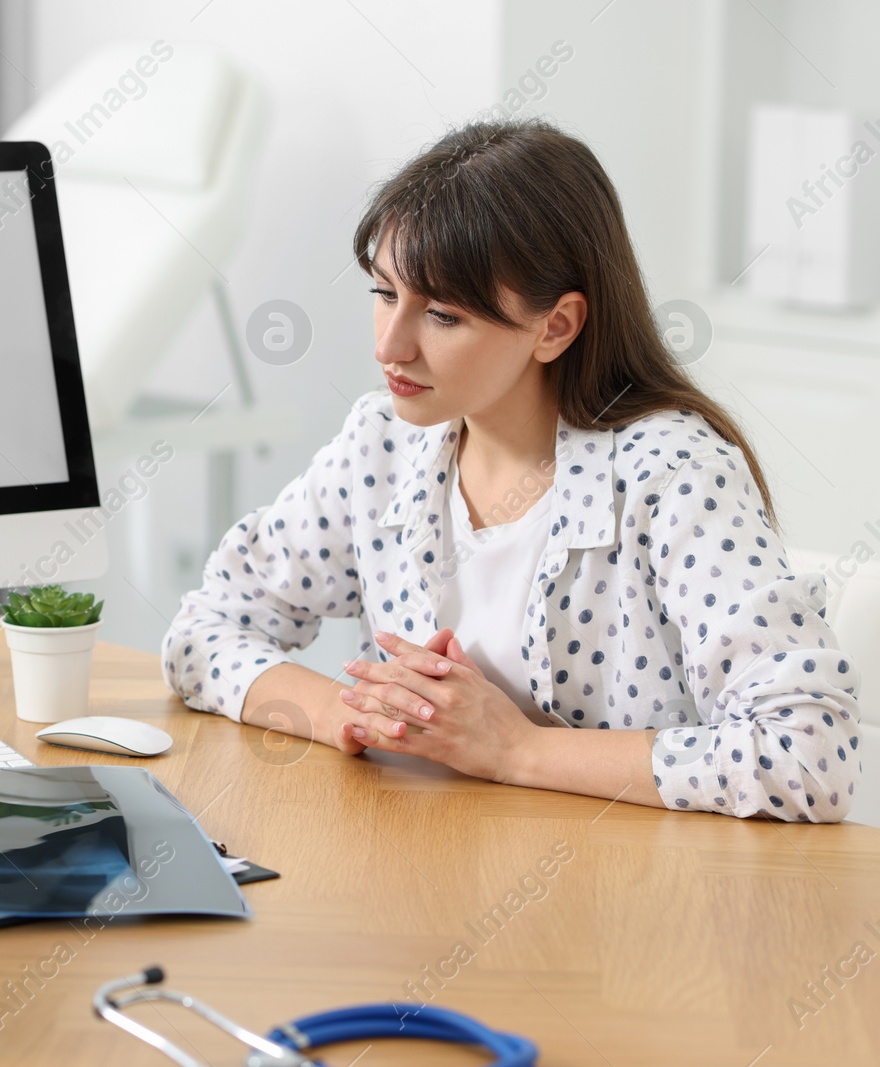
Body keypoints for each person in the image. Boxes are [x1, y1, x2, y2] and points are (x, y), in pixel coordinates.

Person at [163, 117, 861, 822]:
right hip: (420, 870)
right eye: (383, 293)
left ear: (555, 326)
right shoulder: (381, 445)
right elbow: (205, 629)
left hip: (631, 899)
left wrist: (512, 750)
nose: (390, 345)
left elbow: (808, 755)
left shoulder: (675, 475)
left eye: (440, 314)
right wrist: (355, 715)